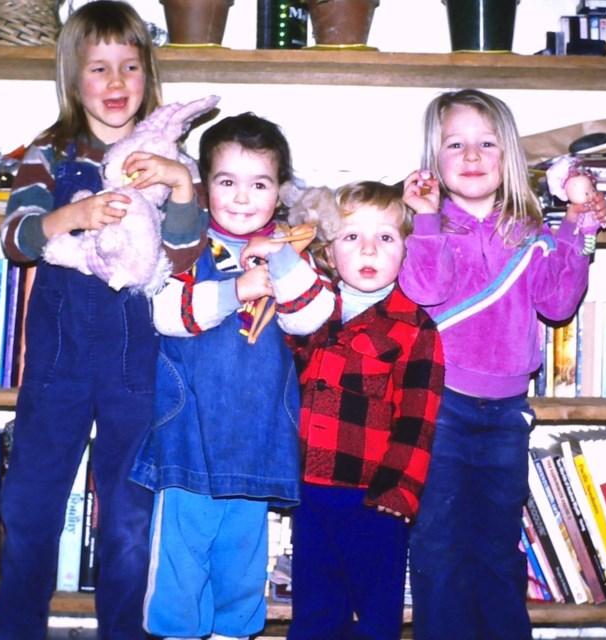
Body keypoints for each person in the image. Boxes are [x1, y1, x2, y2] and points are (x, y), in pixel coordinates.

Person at [0, 2, 201, 638]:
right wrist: (71, 217)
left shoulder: (167, 159)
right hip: (57, 364)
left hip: (137, 366)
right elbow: (15, 238)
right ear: (73, 78)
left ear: (148, 76)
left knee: (128, 519)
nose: (116, 83)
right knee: (30, 506)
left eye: (130, 67)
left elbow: (186, 256)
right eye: (100, 68)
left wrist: (183, 190)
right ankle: (14, 627)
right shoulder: (48, 156)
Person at [399, 89, 606, 640]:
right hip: (440, 408)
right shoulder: (428, 227)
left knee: (497, 545)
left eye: (486, 143)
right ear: (434, 159)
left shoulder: (531, 233)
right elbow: (424, 288)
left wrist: (578, 229)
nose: (471, 155)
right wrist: (424, 222)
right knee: (438, 542)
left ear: (508, 156)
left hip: (507, 413)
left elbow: (558, 303)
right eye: (456, 144)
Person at [129, 112, 336, 640]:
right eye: (227, 182)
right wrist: (233, 291)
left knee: (243, 562)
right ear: (203, 186)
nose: (242, 198)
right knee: (181, 559)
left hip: (258, 437)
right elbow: (165, 314)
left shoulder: (292, 251)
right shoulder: (187, 244)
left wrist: (283, 262)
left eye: (259, 184)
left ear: (280, 191)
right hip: (189, 434)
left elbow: (313, 316)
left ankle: (233, 633)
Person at [245, 181, 445, 640]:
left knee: (377, 614)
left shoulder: (415, 328)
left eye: (387, 238)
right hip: (311, 492)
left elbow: (419, 418)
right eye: (352, 237)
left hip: (373, 497)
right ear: (330, 255)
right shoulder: (311, 312)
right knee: (315, 607)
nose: (369, 249)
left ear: (406, 252)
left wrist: (398, 492)